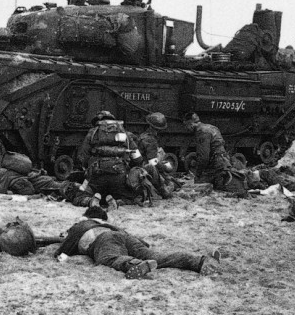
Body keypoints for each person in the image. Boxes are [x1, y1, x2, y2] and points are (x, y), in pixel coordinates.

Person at [56, 206, 222, 279]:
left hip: (104, 240)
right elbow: (142, 243)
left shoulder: (82, 225)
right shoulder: (110, 225)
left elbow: (62, 250)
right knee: (159, 257)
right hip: (126, 238)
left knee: (110, 259)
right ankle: (200, 261)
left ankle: (134, 265)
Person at [77, 111, 145, 204]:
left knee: (79, 195)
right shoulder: (124, 133)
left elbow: (82, 157)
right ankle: (120, 201)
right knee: (133, 196)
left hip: (97, 174)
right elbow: (138, 159)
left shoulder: (92, 132)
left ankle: (90, 201)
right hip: (119, 175)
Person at [182, 112, 233, 189]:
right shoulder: (212, 127)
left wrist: (198, 175)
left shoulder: (201, 132)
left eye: (186, 125)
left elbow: (204, 157)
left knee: (200, 187)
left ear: (191, 124)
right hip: (224, 163)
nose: (186, 128)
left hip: (216, 167)